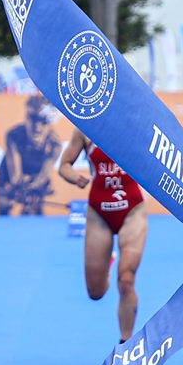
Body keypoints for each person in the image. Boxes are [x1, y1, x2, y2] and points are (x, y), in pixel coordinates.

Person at [58, 128, 148, 342]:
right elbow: (63, 165)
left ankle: (125, 345)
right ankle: (108, 263)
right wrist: (74, 178)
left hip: (132, 210)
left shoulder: (135, 122)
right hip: (99, 213)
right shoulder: (85, 127)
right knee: (95, 293)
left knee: (126, 279)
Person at [0, 94, 62, 215]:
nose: (37, 128)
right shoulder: (13, 136)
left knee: (36, 204)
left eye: (43, 122)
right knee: (4, 205)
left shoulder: (55, 144)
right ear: (26, 119)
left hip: (36, 171)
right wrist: (20, 186)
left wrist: (36, 185)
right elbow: (15, 177)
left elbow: (44, 174)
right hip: (10, 170)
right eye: (33, 119)